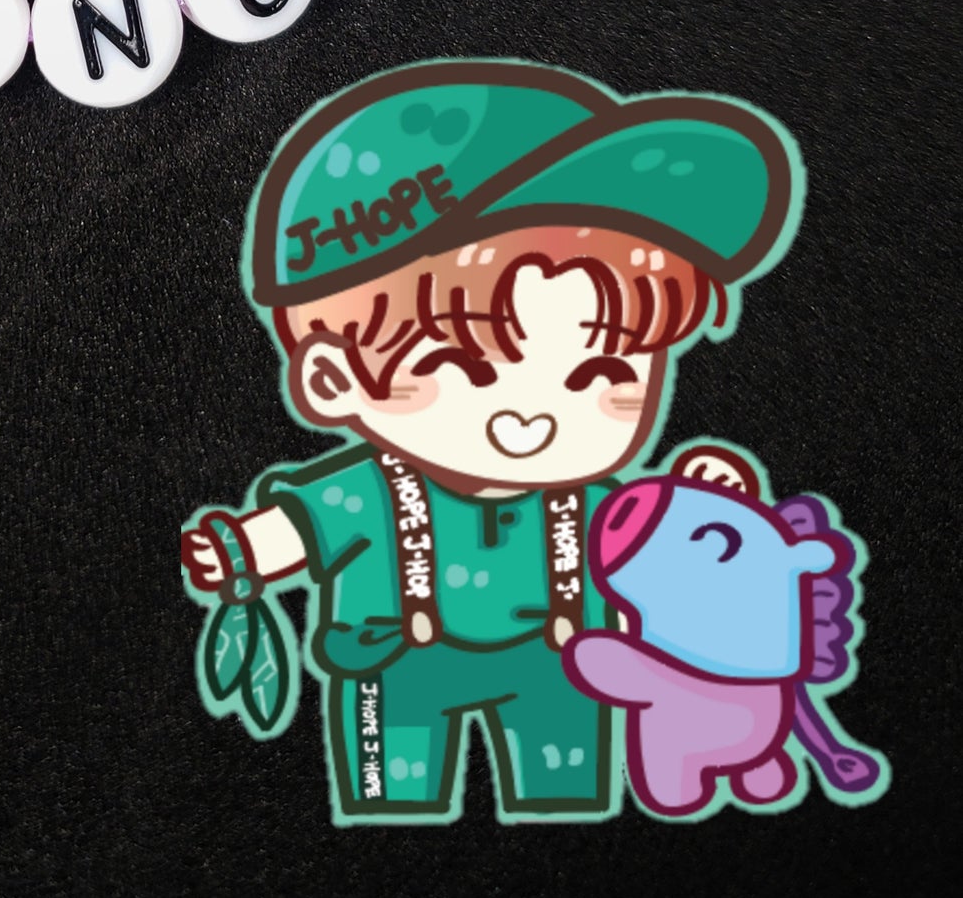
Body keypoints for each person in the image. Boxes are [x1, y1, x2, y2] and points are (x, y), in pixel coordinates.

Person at [181, 59, 799, 823]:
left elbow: (675, 548)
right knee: (389, 802)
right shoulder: (363, 490)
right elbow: (301, 528)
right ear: (334, 378)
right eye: (463, 365)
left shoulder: (605, 506)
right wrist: (239, 553)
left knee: (567, 796)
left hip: (560, 664)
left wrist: (708, 503)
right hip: (394, 666)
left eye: (602, 373)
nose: (532, 416)